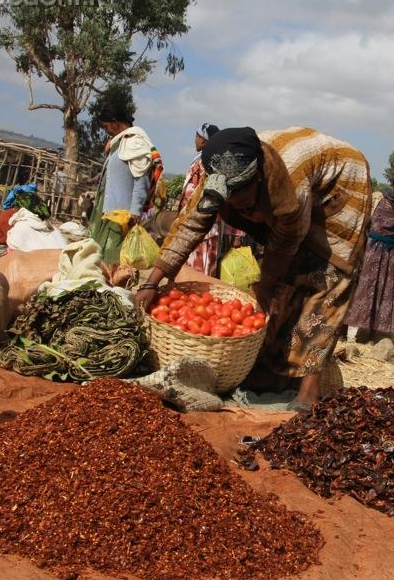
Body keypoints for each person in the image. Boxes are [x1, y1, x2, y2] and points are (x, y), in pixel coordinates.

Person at [136, 126, 371, 407]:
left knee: (325, 284)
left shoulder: (289, 189)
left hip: (340, 189)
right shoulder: (218, 174)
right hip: (299, 187)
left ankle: (310, 386)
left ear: (259, 179)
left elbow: (285, 243)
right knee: (280, 290)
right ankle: (276, 370)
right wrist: (153, 282)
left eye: (245, 202)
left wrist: (267, 285)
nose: (238, 207)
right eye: (232, 201)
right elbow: (189, 225)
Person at [344, 171, 394, 338]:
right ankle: (350, 331)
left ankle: (372, 334)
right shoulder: (378, 199)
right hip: (369, 252)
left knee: (384, 293)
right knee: (363, 290)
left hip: (390, 256)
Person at [93, 100, 155, 218]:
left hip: (122, 216)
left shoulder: (135, 142)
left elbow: (141, 180)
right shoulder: (118, 143)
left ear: (115, 122)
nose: (106, 131)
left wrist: (135, 212)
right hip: (109, 212)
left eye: (106, 127)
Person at [179, 123, 221, 276]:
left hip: (203, 223)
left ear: (204, 140)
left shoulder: (209, 163)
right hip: (192, 221)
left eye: (197, 137)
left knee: (201, 265)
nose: (195, 140)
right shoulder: (201, 159)